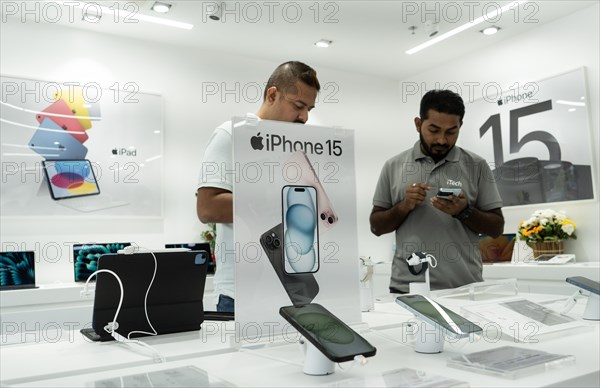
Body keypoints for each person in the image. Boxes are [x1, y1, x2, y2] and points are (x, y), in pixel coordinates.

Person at [196, 61, 321, 312]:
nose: (304, 117)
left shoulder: (297, 146)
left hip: (292, 286)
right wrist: (278, 199)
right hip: (241, 293)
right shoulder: (230, 134)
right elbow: (208, 208)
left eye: (309, 108)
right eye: (298, 106)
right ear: (272, 95)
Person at [369, 89, 504, 293]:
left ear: (460, 126)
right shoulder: (393, 165)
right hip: (408, 288)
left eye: (451, 132)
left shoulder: (477, 165)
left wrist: (464, 211)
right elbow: (376, 226)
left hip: (465, 288)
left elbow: (497, 228)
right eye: (433, 130)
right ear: (417, 124)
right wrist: (404, 206)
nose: (442, 140)